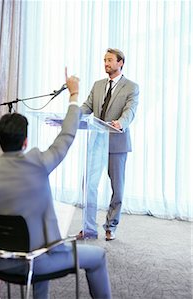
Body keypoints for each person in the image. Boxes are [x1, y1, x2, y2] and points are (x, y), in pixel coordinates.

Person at [0, 69, 112, 299]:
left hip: (1, 262)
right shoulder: (39, 163)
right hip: (40, 260)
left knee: (37, 246)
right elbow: (66, 136)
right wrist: (73, 95)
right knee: (98, 257)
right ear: (25, 141)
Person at [78, 48, 139, 241]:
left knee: (117, 188)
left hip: (117, 142)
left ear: (120, 62)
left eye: (110, 60)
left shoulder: (131, 87)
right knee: (89, 186)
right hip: (96, 141)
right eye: (104, 60)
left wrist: (121, 122)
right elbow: (87, 107)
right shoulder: (97, 85)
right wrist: (71, 117)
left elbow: (130, 111)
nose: (106, 63)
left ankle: (111, 226)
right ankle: (88, 228)